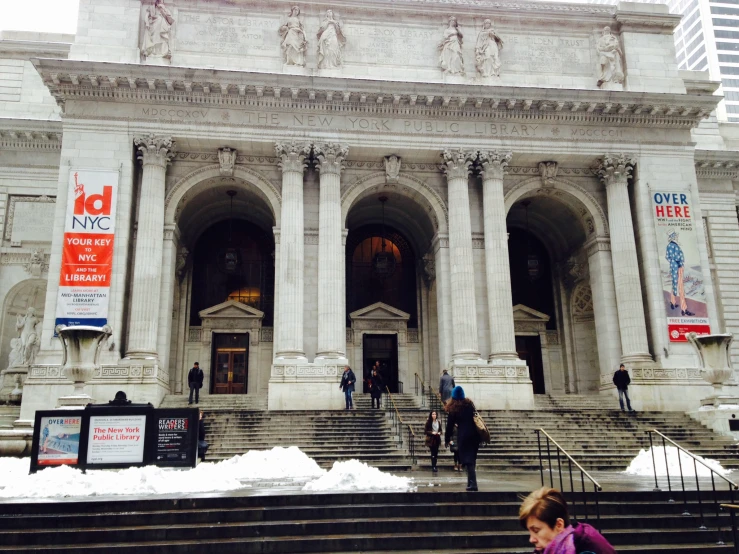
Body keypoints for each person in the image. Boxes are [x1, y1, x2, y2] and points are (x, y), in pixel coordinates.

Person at [519, 487, 615, 553]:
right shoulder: (547, 550)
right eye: (530, 531)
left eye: (536, 531)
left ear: (559, 525)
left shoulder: (590, 547)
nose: (531, 539)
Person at [445, 386, 481, 491]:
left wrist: (447, 439)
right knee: (471, 459)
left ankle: (473, 483)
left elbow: (449, 426)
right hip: (474, 435)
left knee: (467, 460)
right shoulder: (469, 404)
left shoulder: (454, 408)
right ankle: (471, 482)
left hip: (464, 436)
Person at [665, 230, 694, 316]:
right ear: (673, 237)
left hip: (674, 267)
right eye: (676, 236)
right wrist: (679, 263)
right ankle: (684, 309)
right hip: (678, 267)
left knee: (674, 283)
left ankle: (673, 303)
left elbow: (668, 257)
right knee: (681, 288)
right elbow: (677, 256)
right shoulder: (674, 246)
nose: (677, 237)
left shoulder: (670, 245)